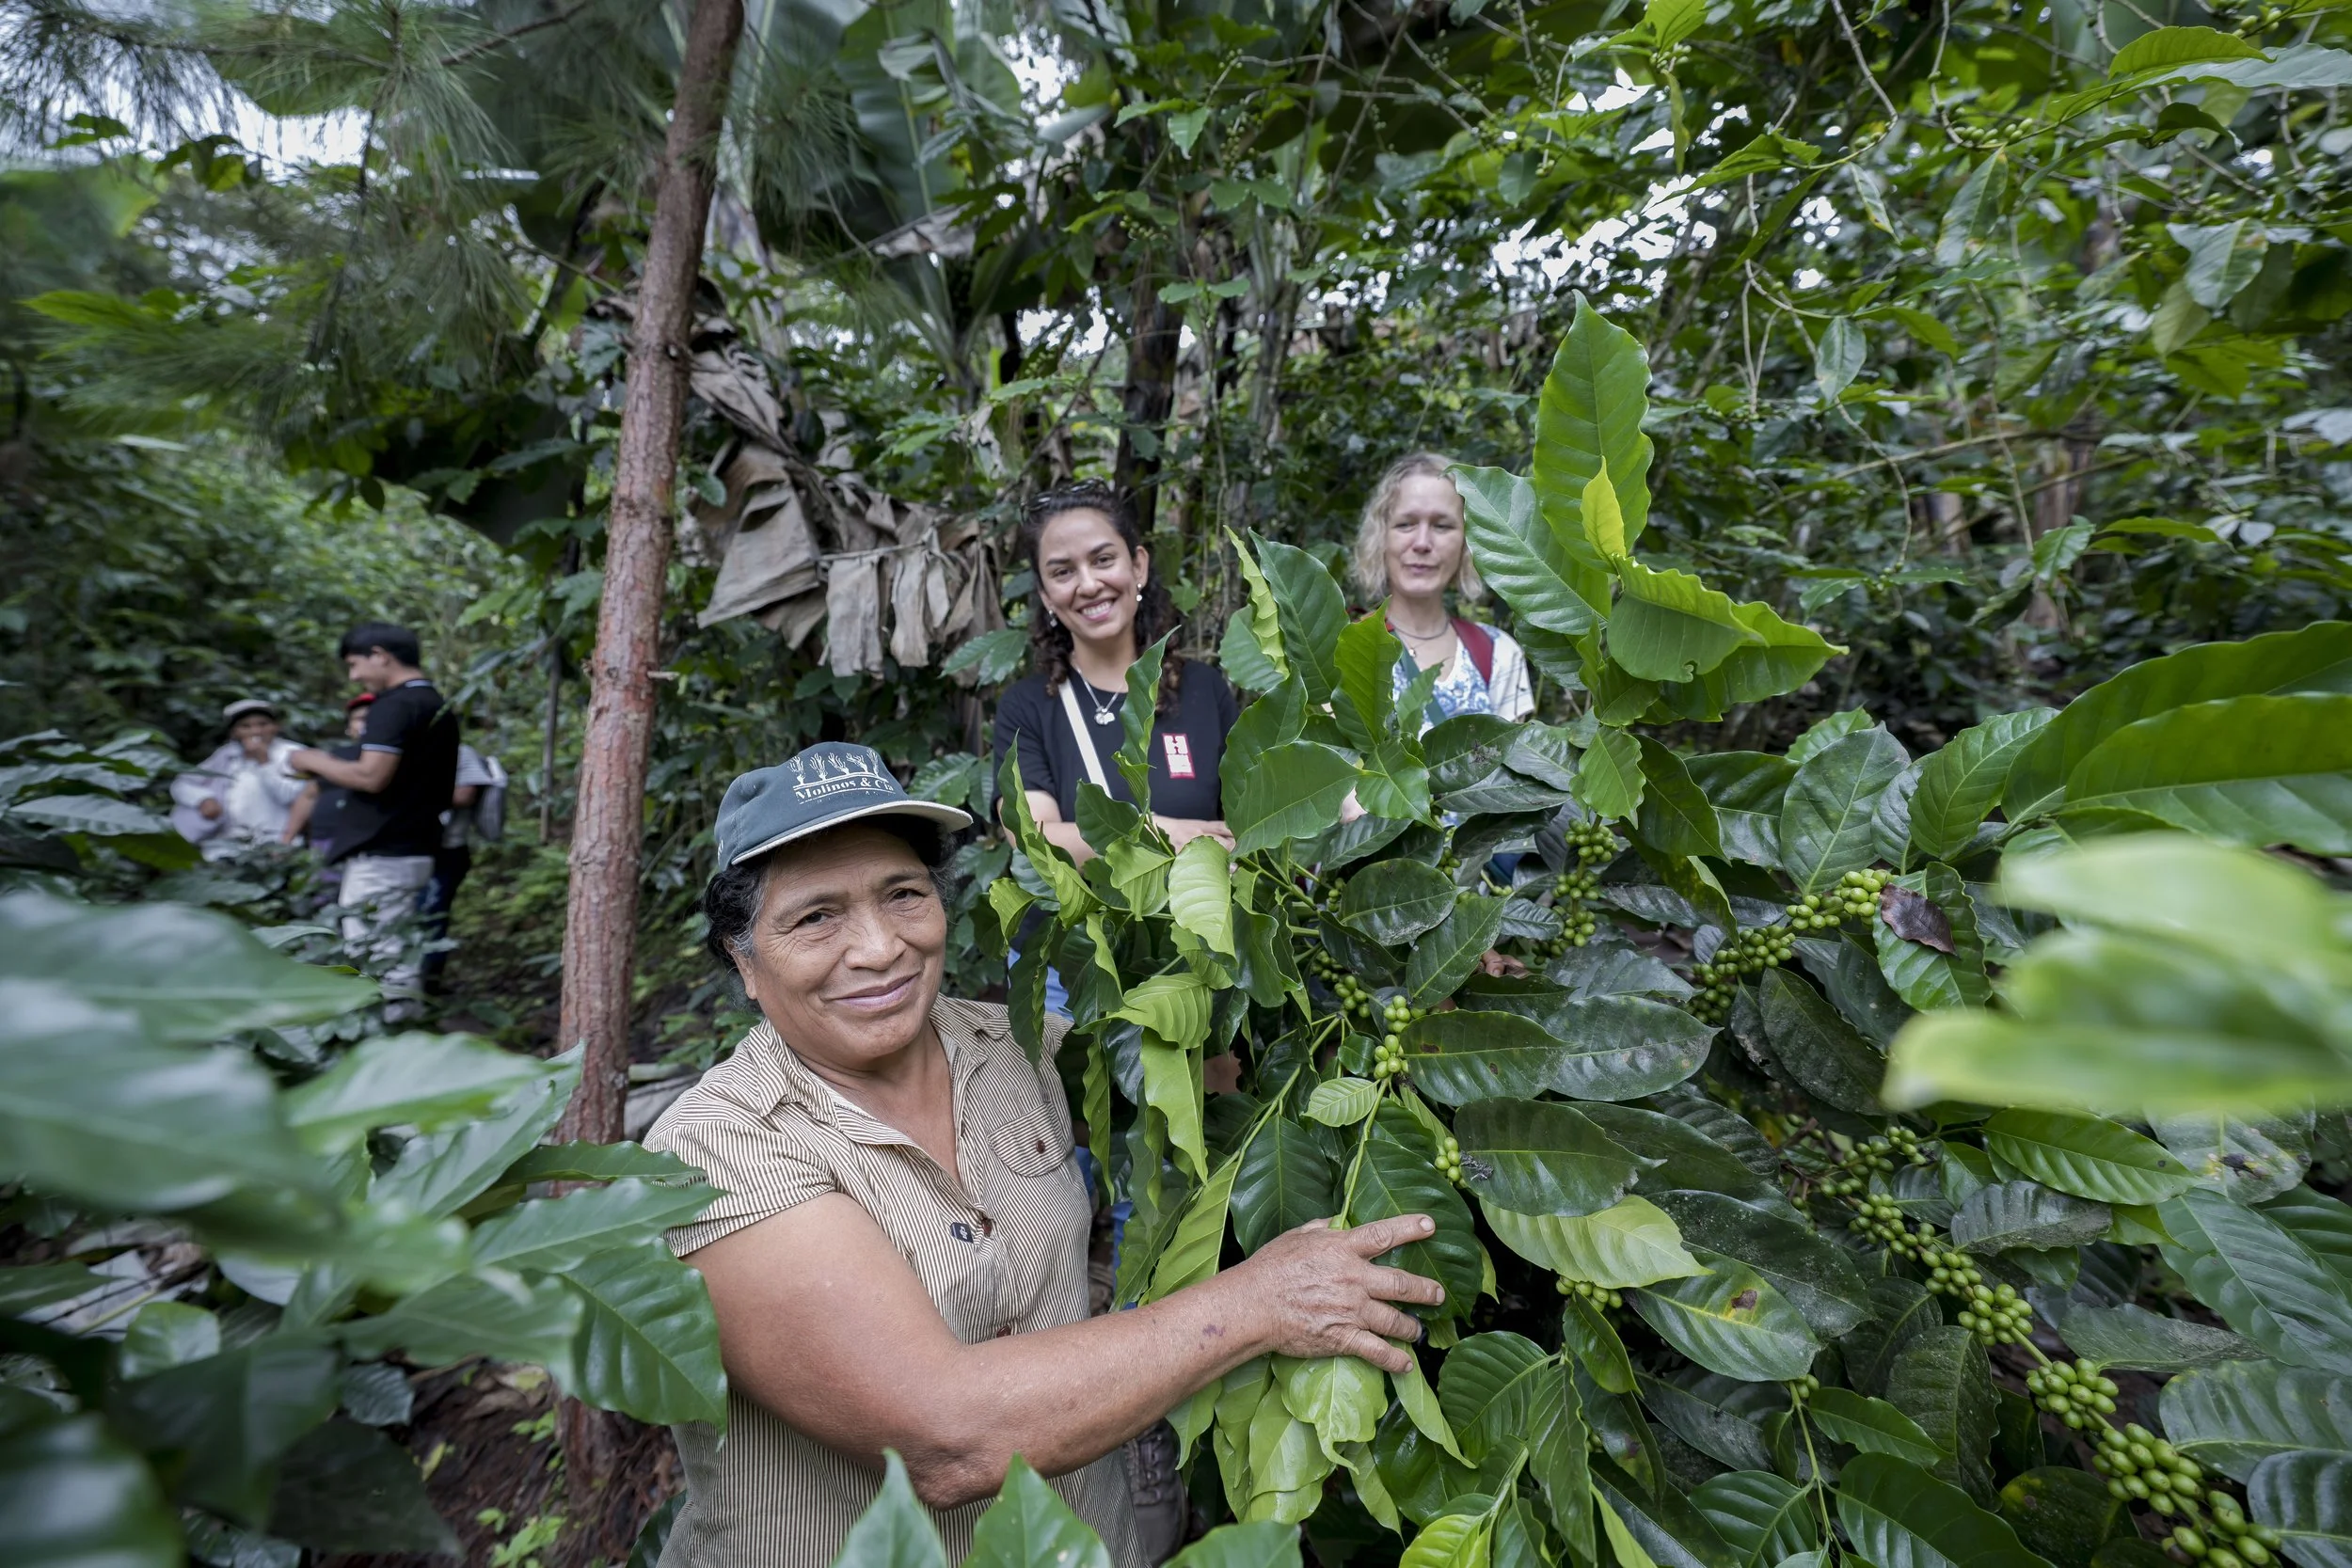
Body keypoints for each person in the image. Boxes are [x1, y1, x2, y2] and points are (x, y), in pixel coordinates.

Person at [644, 743, 1444, 1568]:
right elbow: (947, 1438)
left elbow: (1215, 1085)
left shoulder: (1016, 1045)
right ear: (744, 959)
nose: (880, 947)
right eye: (816, 916)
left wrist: (1378, 937)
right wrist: (1263, 1302)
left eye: (904, 894)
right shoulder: (716, 1151)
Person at [991, 482, 1239, 865]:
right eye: (1063, 571)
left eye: (1103, 560)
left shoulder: (1203, 688)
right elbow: (1031, 834)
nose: (1089, 584)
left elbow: (1248, 814)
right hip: (1078, 925)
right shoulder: (1026, 707)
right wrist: (1163, 833)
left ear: (1138, 565)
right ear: (1045, 595)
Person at [286, 624, 459, 1012]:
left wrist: (308, 759)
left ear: (381, 656)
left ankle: (393, 1042)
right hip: (416, 847)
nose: (354, 676)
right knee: (394, 948)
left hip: (384, 855)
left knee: (379, 956)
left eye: (355, 664)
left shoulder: (394, 705)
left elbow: (371, 775)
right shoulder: (436, 703)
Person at [1350, 451, 1535, 727]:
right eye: (1406, 524)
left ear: (1466, 543)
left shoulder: (1499, 655)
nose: (1422, 543)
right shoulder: (1342, 647)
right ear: (1381, 538)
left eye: (1442, 525)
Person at [168, 699, 307, 859]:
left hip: (275, 844)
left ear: (276, 727)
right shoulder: (225, 756)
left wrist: (264, 761)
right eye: (246, 726)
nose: (256, 731)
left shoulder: (294, 754)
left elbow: (291, 796)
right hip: (225, 846)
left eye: (263, 724)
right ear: (234, 732)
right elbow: (181, 784)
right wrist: (203, 799)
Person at [417, 742, 505, 988]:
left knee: (431, 916)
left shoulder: (459, 752)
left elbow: (464, 794)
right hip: (407, 850)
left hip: (445, 850)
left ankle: (427, 984)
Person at [282, 693, 374, 863]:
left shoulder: (398, 757)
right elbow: (309, 795)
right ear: (349, 727)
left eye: (372, 718)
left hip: (370, 843)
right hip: (325, 838)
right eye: (360, 719)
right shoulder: (333, 756)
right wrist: (287, 839)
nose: (366, 724)